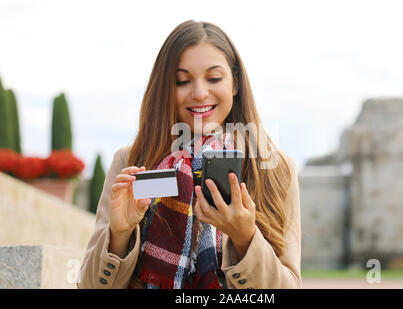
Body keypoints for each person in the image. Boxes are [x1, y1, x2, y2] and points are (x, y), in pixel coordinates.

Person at [77, 20, 302, 289]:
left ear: (235, 83)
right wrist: (119, 235)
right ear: (165, 88)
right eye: (182, 81)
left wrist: (246, 239)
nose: (199, 93)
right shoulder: (131, 161)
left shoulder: (274, 169)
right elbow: (90, 285)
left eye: (214, 78)